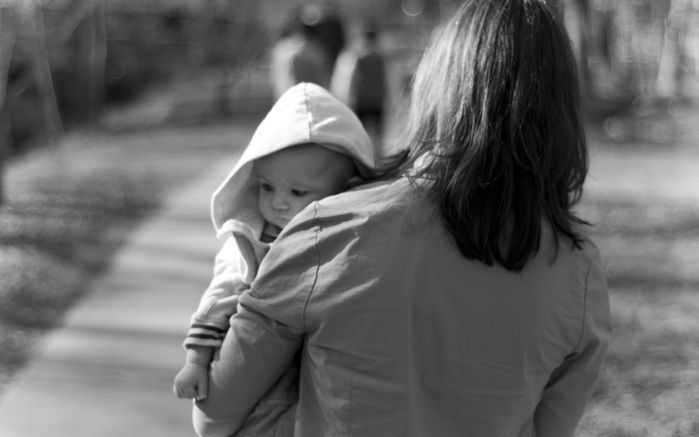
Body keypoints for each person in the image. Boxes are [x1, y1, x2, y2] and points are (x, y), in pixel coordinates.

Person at [194, 1, 611, 436]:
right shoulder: (580, 275)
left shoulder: (330, 230)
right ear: (563, 115)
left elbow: (214, 415)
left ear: (436, 87)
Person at [173, 82, 376, 436]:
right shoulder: (253, 240)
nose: (278, 203)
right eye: (267, 187)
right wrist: (195, 362)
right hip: (265, 384)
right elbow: (219, 297)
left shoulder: (360, 237)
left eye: (297, 192)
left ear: (349, 190)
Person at [331, 23, 387, 143]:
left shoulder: (359, 58)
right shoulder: (381, 58)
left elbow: (352, 79)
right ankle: (378, 157)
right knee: (377, 135)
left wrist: (348, 97)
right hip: (377, 100)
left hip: (362, 100)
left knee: (361, 134)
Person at [269, 7, 332, 99]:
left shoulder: (317, 50)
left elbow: (323, 80)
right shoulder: (286, 49)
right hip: (292, 101)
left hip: (309, 101)